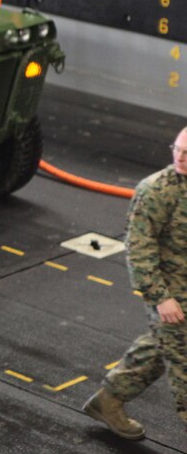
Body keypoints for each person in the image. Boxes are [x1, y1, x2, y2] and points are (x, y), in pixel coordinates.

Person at [83, 126, 187, 439]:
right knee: (183, 361)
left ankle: (108, 400)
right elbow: (139, 248)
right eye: (177, 149)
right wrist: (160, 297)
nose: (180, 157)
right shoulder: (157, 191)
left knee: (160, 347)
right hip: (171, 292)